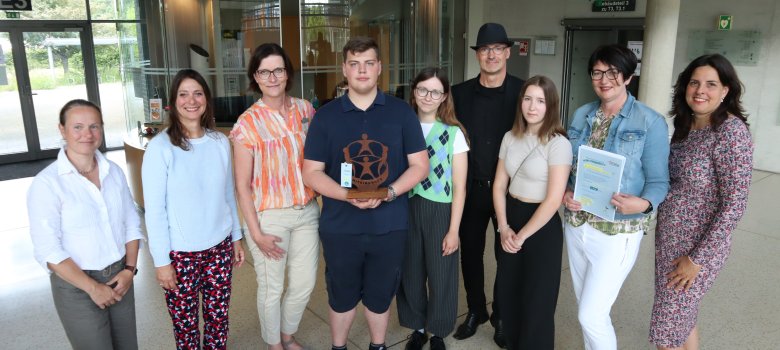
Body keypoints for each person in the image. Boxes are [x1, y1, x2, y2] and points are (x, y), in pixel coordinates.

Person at [302, 36, 428, 350]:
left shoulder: (401, 113)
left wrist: (390, 192)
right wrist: (347, 196)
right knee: (341, 293)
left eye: (369, 63)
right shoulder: (326, 116)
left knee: (381, 292)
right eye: (355, 64)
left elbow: (420, 165)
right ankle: (339, 346)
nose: (362, 71)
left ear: (379, 68)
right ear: (344, 68)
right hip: (340, 226)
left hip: (389, 224)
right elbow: (311, 172)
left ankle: (378, 345)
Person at [561, 44, 670, 350]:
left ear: (627, 76)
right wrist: (567, 191)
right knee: (589, 308)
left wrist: (644, 203)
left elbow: (660, 181)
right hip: (577, 223)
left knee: (590, 315)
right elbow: (570, 166)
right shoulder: (583, 114)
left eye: (612, 72)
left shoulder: (649, 121)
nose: (604, 79)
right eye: (597, 72)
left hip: (617, 231)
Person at [649, 54, 753, 350]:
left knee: (666, 331)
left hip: (698, 251)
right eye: (694, 82)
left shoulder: (730, 133)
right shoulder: (685, 127)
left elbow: (735, 205)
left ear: (725, 91)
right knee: (682, 319)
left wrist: (697, 260)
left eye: (711, 84)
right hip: (670, 244)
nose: (700, 90)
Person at [28, 99, 144, 350]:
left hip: (119, 276)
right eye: (77, 127)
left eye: (94, 126)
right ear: (62, 130)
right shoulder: (46, 184)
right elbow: (48, 250)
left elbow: (131, 223)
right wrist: (92, 288)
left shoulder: (113, 171)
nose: (87, 134)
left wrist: (129, 270)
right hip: (76, 286)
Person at [142, 69, 245, 350]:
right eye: (183, 94)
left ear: (206, 99)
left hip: (219, 247)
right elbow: (154, 210)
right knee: (185, 326)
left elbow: (228, 194)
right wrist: (161, 262)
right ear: (173, 101)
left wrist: (236, 236)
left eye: (198, 93)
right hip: (180, 254)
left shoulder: (220, 142)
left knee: (218, 319)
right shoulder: (160, 147)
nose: (191, 100)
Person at [230, 43, 319, 350]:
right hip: (269, 218)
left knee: (304, 284)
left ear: (287, 73)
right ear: (255, 76)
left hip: (307, 211)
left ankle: (286, 333)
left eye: (278, 70)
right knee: (272, 287)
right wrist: (254, 232)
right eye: (264, 71)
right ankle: (274, 344)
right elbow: (242, 185)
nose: (272, 77)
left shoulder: (306, 110)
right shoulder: (247, 123)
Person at [450, 22, 524, 348]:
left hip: (510, 191)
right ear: (478, 55)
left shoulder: (524, 92)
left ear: (507, 52)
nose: (491, 55)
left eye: (497, 48)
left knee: (506, 255)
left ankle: (502, 315)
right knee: (471, 255)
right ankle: (476, 310)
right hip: (470, 188)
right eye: (484, 49)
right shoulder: (459, 93)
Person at [492, 76, 571, 350]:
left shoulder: (558, 143)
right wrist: (503, 227)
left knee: (538, 300)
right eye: (527, 99)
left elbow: (553, 200)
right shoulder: (509, 137)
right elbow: (500, 184)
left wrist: (521, 236)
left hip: (540, 226)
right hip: (510, 217)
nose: (532, 106)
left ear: (550, 105)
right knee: (509, 294)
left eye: (540, 100)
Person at [396, 67, 469, 350]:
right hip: (406, 207)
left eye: (435, 91)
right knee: (411, 272)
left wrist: (454, 230)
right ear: (414, 92)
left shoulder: (453, 134)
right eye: (423, 89)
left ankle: (438, 332)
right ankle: (418, 327)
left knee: (441, 274)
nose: (428, 96)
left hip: (440, 211)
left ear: (444, 96)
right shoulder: (403, 128)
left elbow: (460, 187)